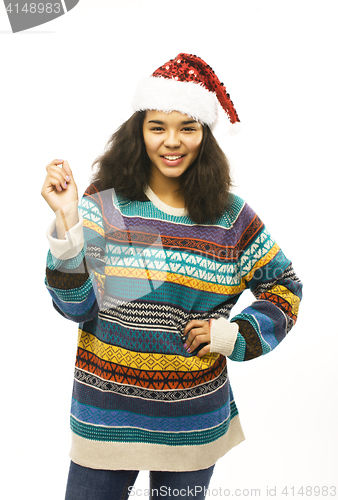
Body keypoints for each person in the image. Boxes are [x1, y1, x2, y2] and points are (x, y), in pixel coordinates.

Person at [42, 53, 302, 500]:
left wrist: (232, 334)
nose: (172, 141)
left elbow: (285, 288)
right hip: (105, 417)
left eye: (188, 127)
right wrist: (68, 220)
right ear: (139, 131)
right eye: (158, 127)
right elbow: (78, 308)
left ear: (205, 135)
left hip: (191, 421)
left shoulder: (231, 220)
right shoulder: (105, 207)